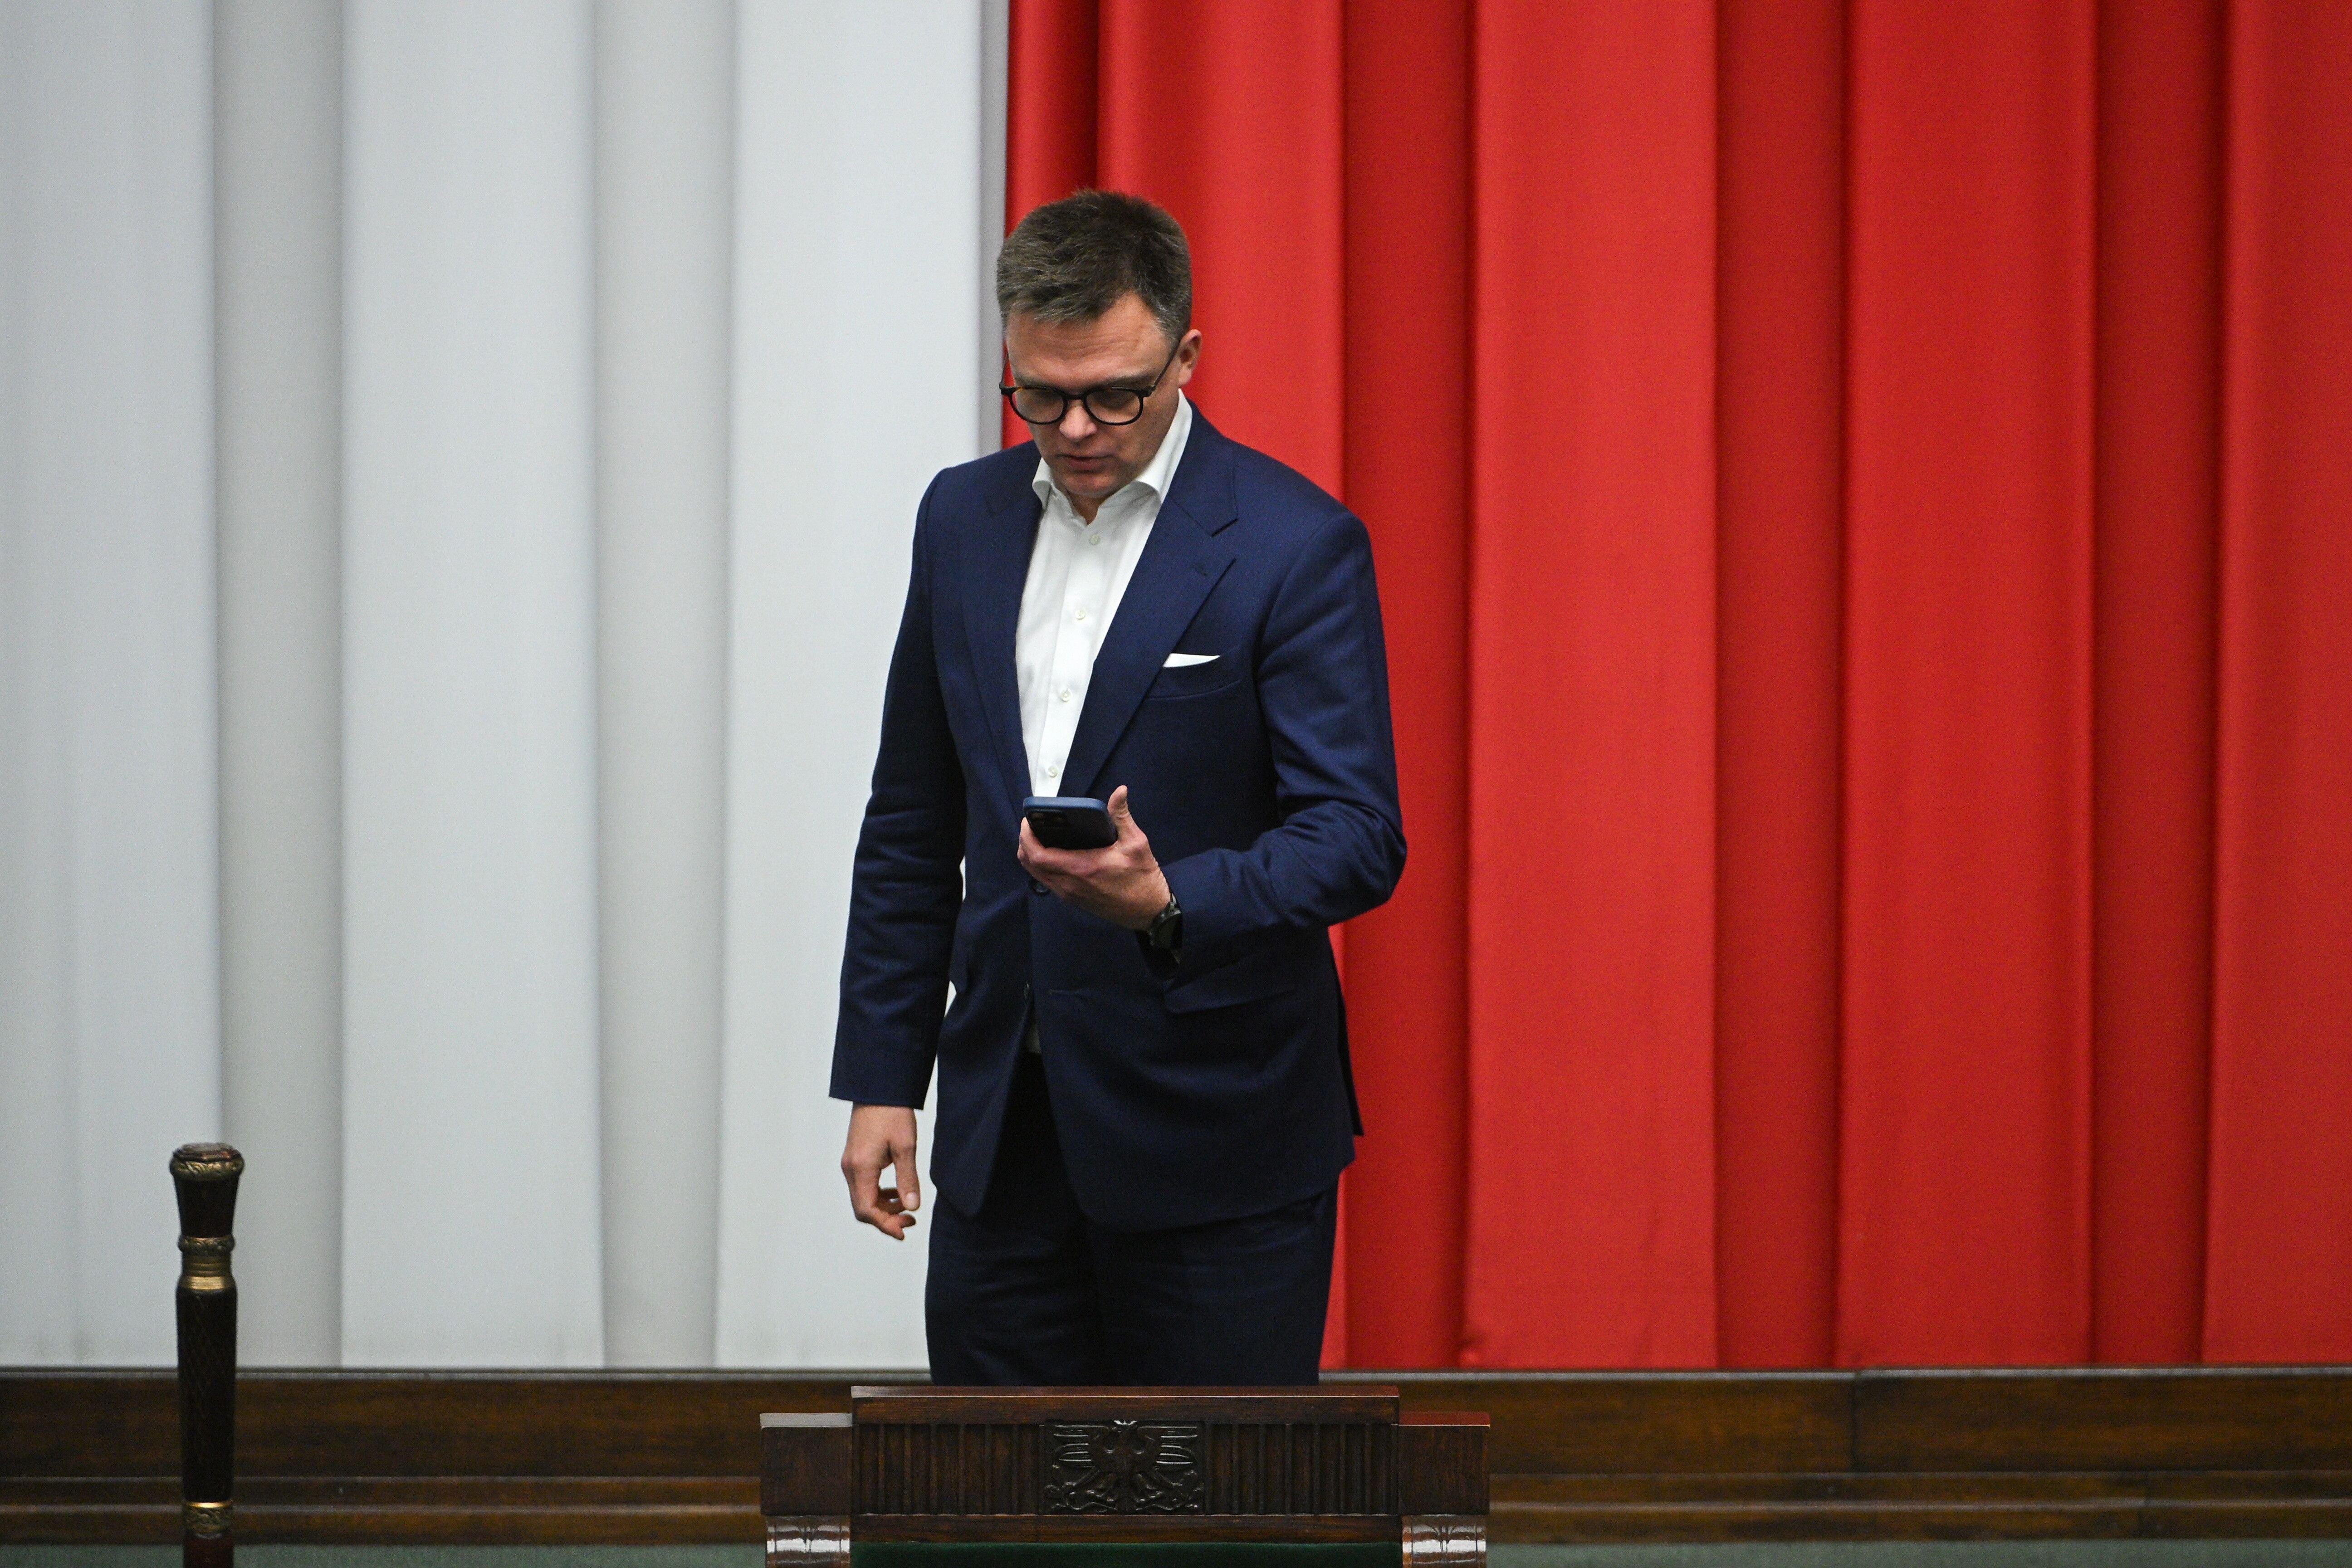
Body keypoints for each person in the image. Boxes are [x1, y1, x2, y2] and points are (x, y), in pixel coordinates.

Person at [831, 190, 1404, 1386]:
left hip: (1217, 1137)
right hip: (1003, 1137)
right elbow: (912, 820)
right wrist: (883, 1079)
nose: (1077, 427)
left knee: (1218, 1488)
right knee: (994, 1485)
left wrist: (1170, 900)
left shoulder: (1294, 542)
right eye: (1040, 395)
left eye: (1115, 395)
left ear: (1185, 357)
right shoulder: (960, 517)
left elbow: (1357, 835)